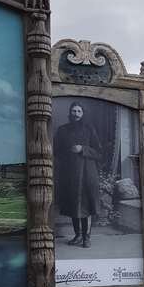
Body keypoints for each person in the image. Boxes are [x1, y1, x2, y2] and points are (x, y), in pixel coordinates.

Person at [54, 101, 102, 248]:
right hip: (70, 174)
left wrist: (83, 149)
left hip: (87, 173)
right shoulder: (62, 130)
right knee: (74, 205)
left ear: (83, 113)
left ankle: (86, 237)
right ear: (70, 113)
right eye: (73, 111)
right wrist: (66, 156)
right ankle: (77, 235)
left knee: (86, 205)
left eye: (79, 111)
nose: (76, 114)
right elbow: (56, 151)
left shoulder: (89, 129)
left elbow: (99, 153)